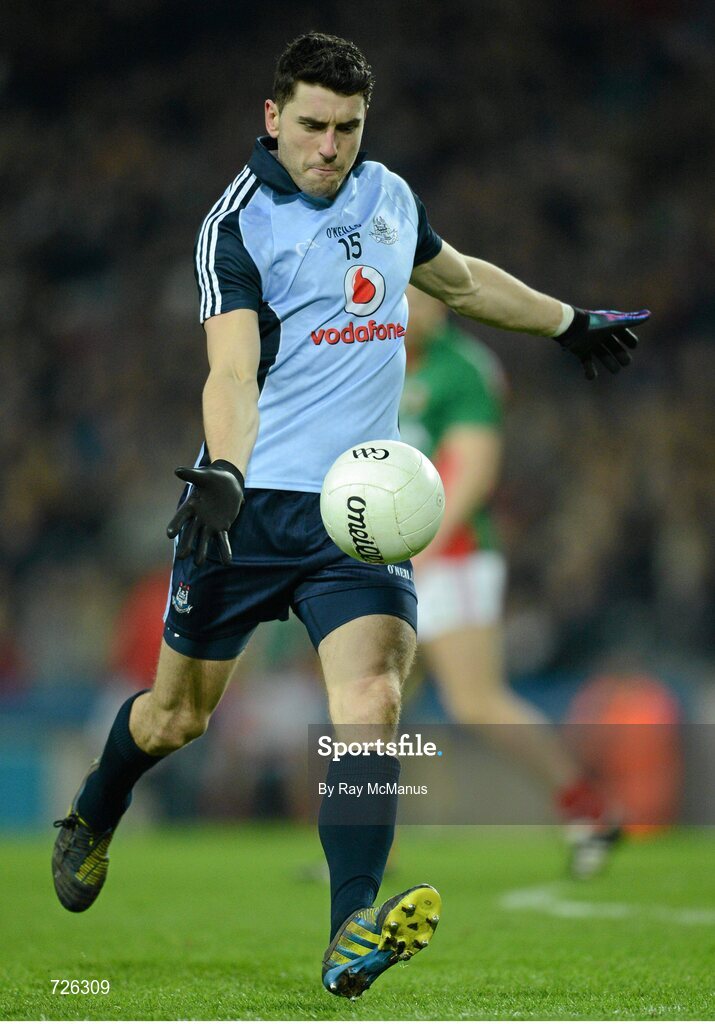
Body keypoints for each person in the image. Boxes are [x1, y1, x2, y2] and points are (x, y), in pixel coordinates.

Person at [52, 31, 649, 1000]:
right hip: (243, 509)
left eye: (348, 128)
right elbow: (232, 368)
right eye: (314, 126)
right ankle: (92, 809)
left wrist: (566, 321)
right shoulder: (235, 225)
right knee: (175, 716)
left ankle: (349, 930)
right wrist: (228, 473)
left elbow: (458, 281)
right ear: (272, 117)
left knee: (369, 703)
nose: (330, 147)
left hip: (358, 513)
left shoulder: (387, 198)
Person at [401, 286, 620, 876]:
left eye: (415, 298)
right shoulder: (372, 359)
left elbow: (474, 471)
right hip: (393, 556)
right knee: (372, 705)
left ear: (439, 303)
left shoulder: (462, 369)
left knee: (476, 702)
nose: (404, 310)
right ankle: (367, 852)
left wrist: (425, 550)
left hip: (454, 558)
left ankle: (587, 807)